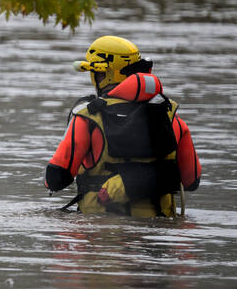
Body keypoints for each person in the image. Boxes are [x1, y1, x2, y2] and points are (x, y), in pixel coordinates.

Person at [44, 35, 200, 217]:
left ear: (103, 74)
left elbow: (56, 180)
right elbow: (191, 181)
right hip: (158, 236)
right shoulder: (171, 117)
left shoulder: (87, 117)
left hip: (101, 233)